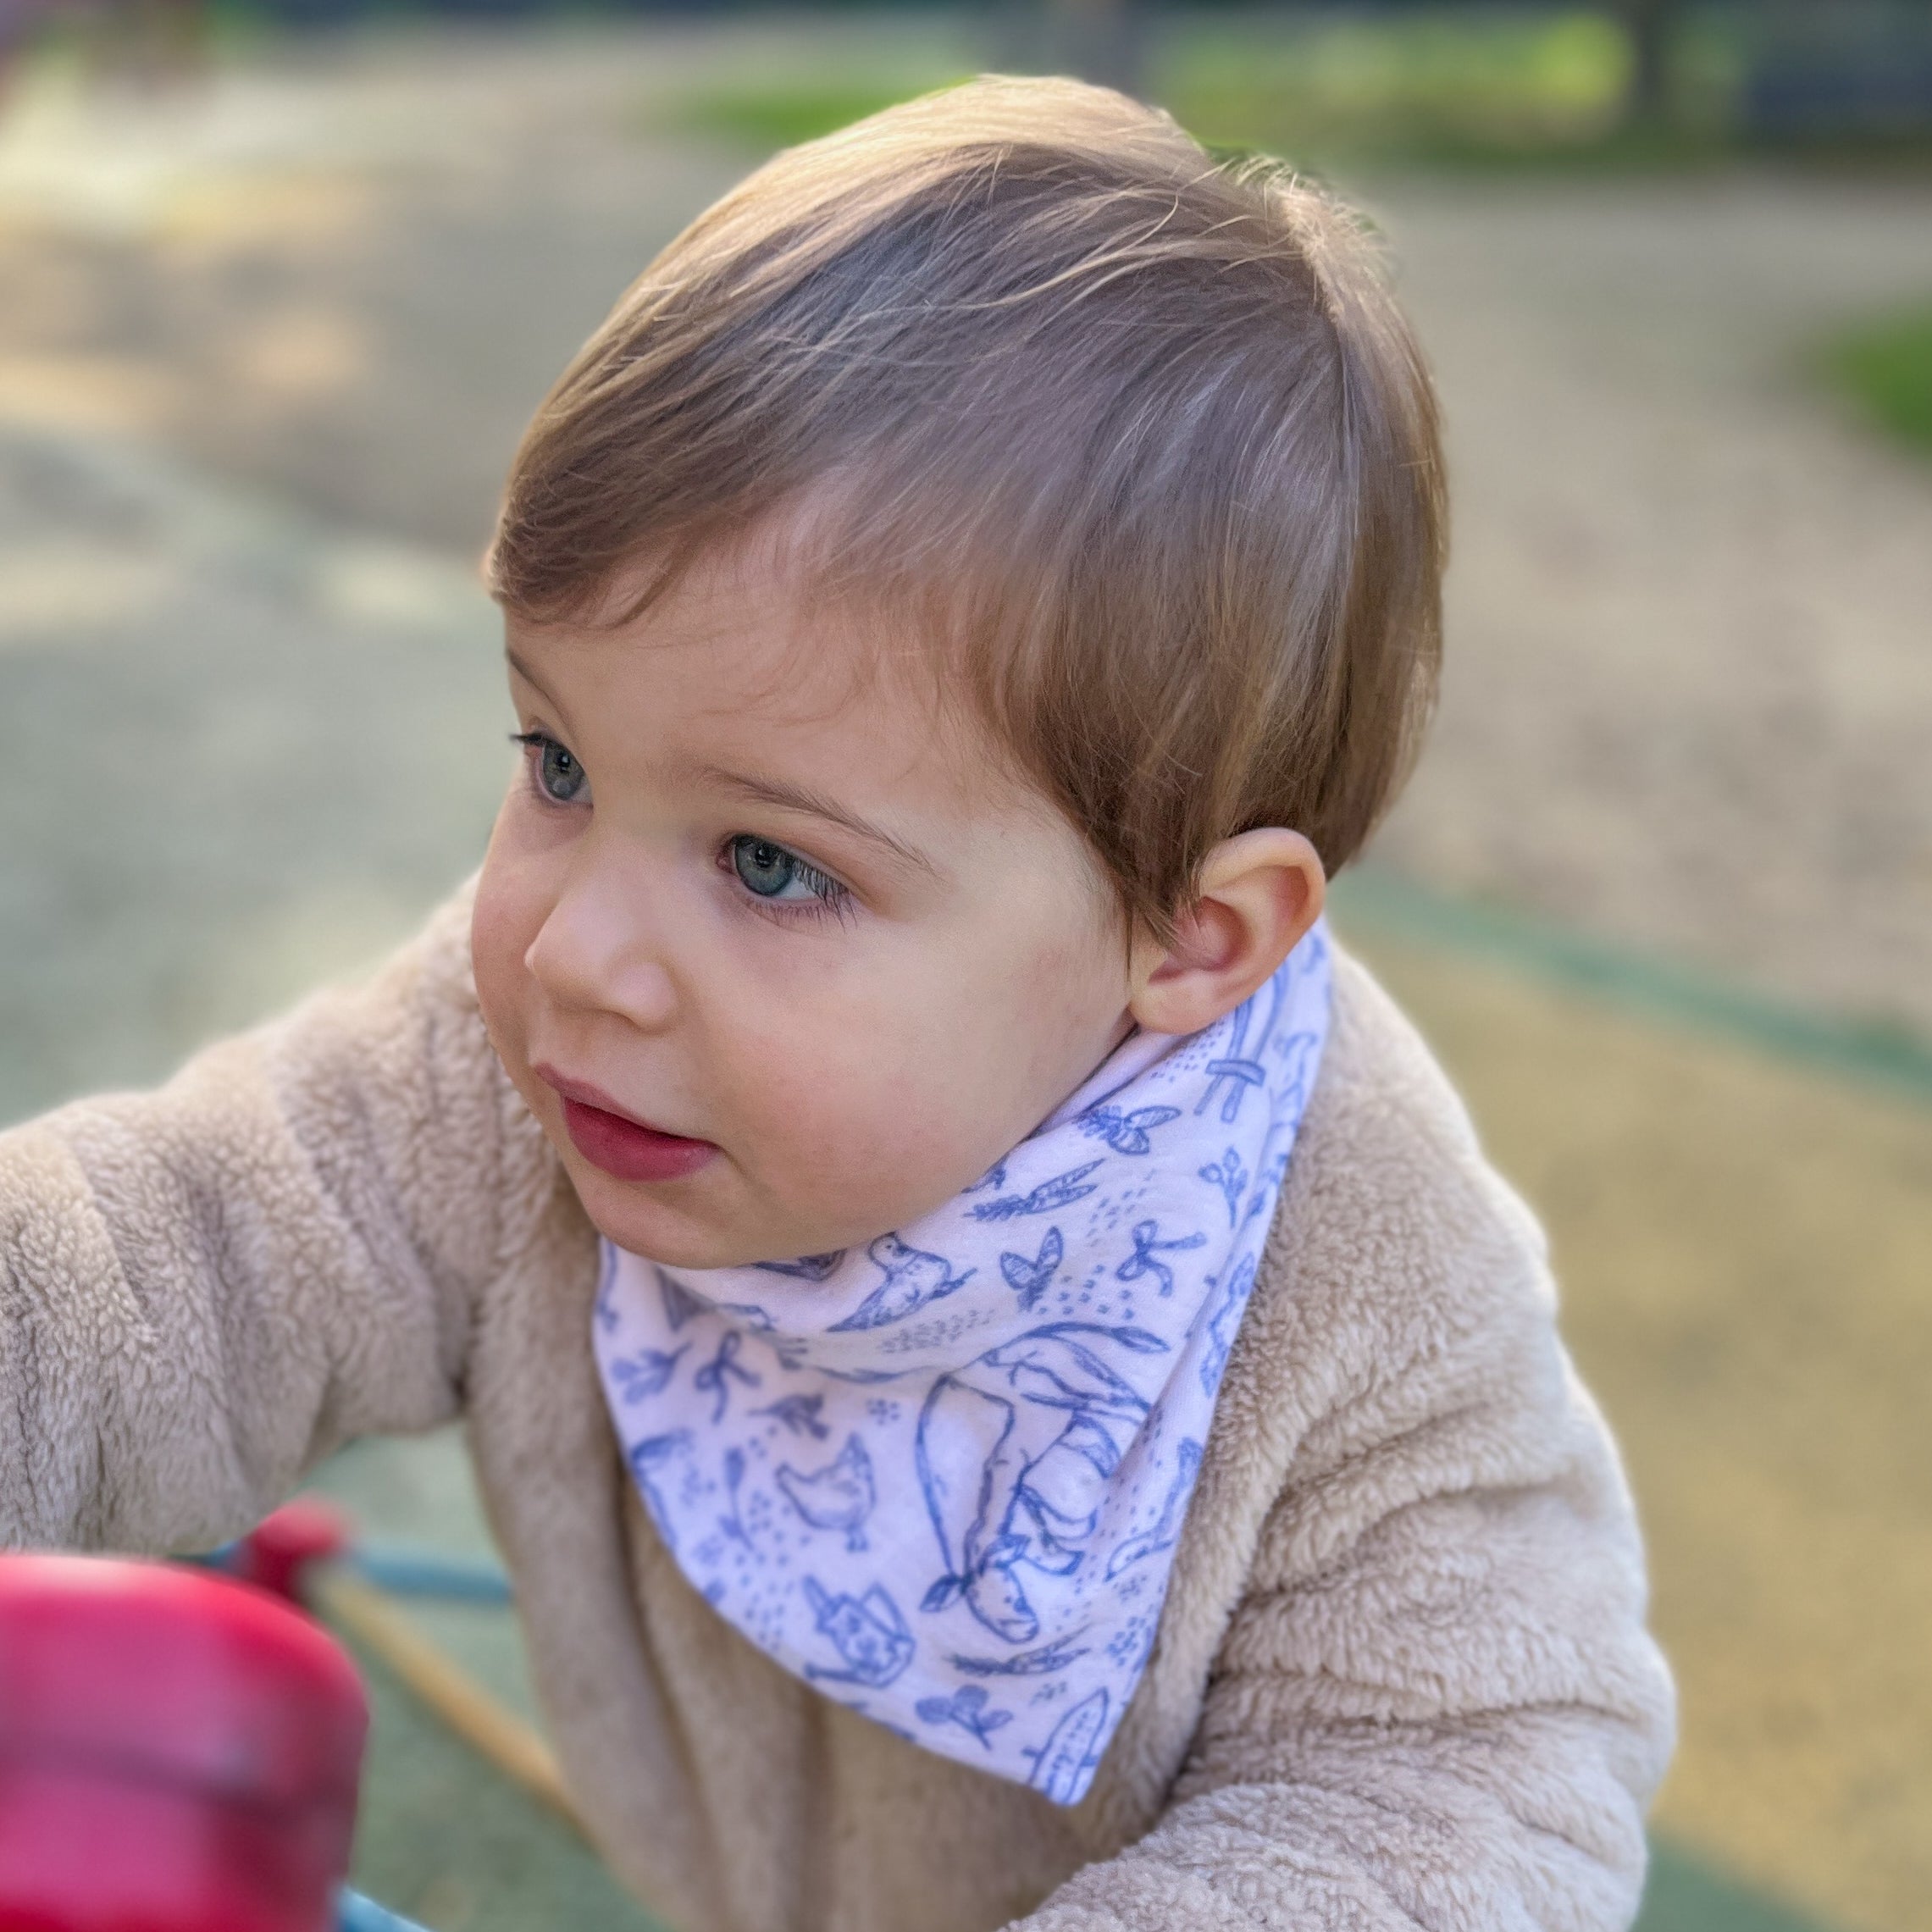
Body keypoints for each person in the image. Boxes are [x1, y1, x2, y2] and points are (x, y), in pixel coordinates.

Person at [0, 76, 1673, 1932]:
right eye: (554, 758)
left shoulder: (1347, 1275)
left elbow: (1477, 1776)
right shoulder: (519, 1073)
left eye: (771, 866)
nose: (571, 952)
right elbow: (178, 1253)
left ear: (1190, 939)